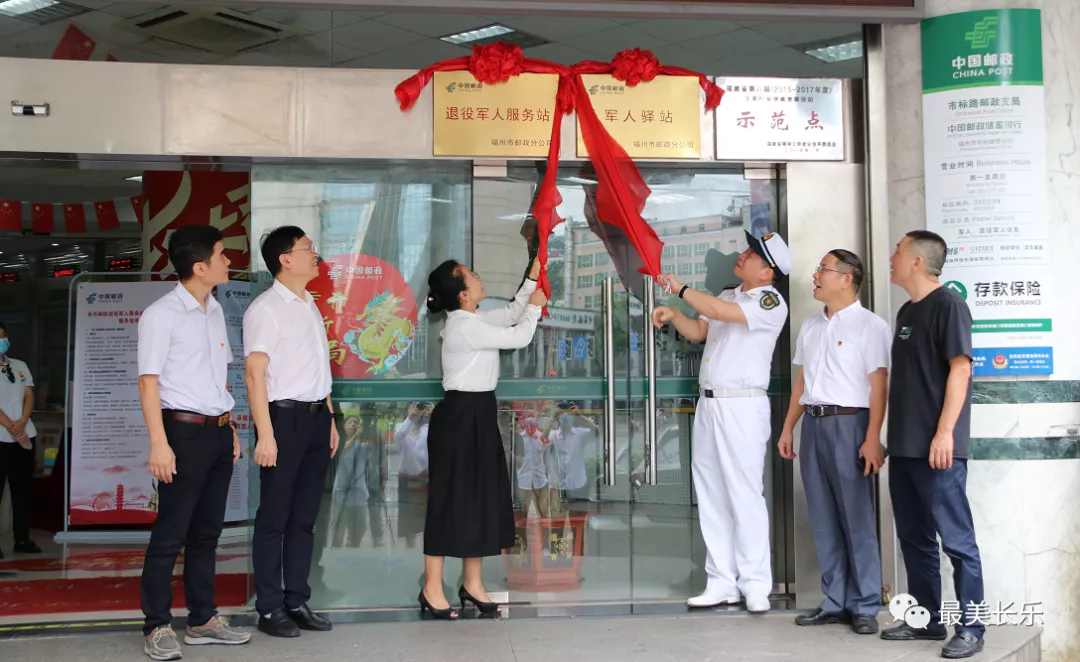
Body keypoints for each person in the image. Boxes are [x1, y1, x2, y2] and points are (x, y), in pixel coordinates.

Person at [652, 231, 791, 614]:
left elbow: (717, 314)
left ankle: (755, 583)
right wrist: (676, 315)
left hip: (742, 406)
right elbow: (702, 329)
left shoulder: (769, 300)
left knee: (744, 495)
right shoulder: (730, 294)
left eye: (751, 253)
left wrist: (679, 289)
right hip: (710, 405)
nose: (742, 255)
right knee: (711, 493)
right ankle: (721, 581)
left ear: (767, 271)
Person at [136, 225, 251, 661]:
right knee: (170, 534)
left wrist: (232, 428)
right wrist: (159, 443)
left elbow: (218, 374)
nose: (228, 262)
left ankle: (202, 619)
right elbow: (148, 384)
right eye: (222, 255)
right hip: (180, 434)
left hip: (218, 432)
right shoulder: (161, 314)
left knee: (207, 533)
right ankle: (157, 625)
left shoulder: (215, 309)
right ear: (200, 266)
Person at [420, 257, 547, 620]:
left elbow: (509, 314)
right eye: (472, 276)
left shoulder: (470, 319)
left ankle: (471, 584)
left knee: (477, 499)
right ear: (463, 294)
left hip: (477, 413)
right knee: (450, 501)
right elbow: (518, 334)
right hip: (460, 417)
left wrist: (532, 279)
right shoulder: (464, 328)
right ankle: (431, 588)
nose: (479, 277)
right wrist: (536, 310)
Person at [882, 230, 985, 659]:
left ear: (917, 262)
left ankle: (972, 627)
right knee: (913, 537)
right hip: (905, 446)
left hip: (938, 447)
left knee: (957, 541)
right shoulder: (907, 309)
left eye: (898, 251)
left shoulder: (950, 306)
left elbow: (959, 372)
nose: (891, 257)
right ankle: (927, 619)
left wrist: (945, 432)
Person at [777, 249, 890, 635]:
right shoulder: (809, 325)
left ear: (846, 278)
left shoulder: (870, 326)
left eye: (823, 270)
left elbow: (879, 388)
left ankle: (865, 604)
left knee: (856, 516)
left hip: (851, 425)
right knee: (822, 516)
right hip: (814, 424)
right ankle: (835, 600)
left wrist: (873, 437)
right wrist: (788, 427)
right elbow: (802, 383)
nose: (815, 276)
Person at [244, 226, 338, 638]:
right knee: (274, 518)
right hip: (283, 420)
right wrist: (265, 434)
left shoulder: (308, 305)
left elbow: (319, 370)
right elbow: (254, 374)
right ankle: (269, 608)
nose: (315, 255)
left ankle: (297, 599)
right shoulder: (265, 309)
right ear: (285, 258)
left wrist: (330, 417)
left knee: (304, 519)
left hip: (316, 419)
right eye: (307, 249)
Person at [0, 321, 40, 559]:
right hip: (2, 438)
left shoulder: (19, 365)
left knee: (22, 490)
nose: (2, 341)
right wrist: (11, 427)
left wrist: (23, 421)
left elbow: (29, 394)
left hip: (25, 437)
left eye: (3, 336)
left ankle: (22, 538)